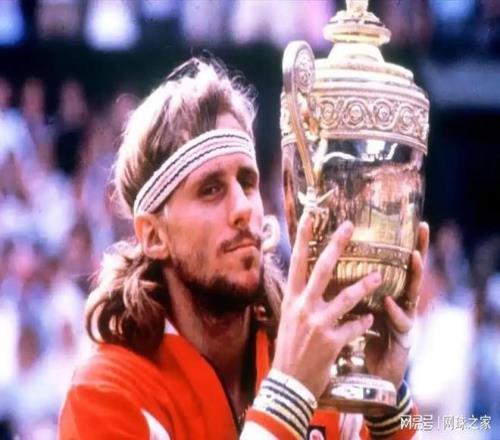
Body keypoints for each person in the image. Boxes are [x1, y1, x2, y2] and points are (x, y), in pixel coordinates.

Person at [58, 57, 429, 440]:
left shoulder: (318, 360)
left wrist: (388, 409)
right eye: (210, 189)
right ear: (153, 236)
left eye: (247, 182)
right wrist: (289, 394)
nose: (243, 208)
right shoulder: (105, 395)